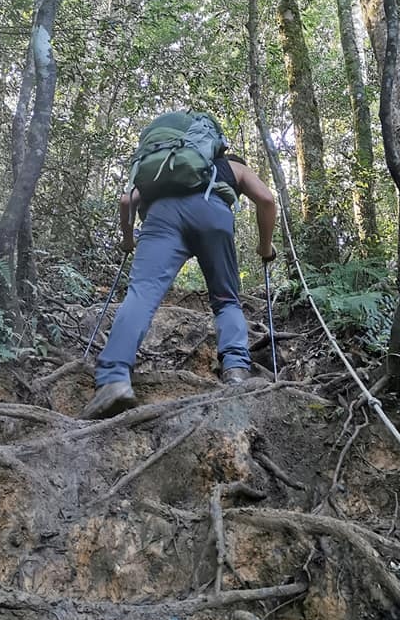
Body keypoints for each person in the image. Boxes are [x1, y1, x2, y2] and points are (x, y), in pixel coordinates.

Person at [82, 151, 277, 419]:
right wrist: (265, 248)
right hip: (214, 215)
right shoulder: (234, 167)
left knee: (142, 294)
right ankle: (236, 372)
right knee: (226, 300)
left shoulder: (166, 164)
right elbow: (266, 199)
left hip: (162, 216)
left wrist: (128, 239)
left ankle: (114, 378)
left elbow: (127, 200)